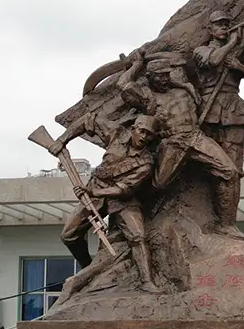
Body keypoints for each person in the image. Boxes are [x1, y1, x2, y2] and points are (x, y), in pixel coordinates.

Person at [117, 51, 244, 238]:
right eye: (160, 76)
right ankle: (131, 211)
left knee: (230, 172)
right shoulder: (147, 96)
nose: (164, 79)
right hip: (173, 142)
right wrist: (136, 65)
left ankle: (226, 225)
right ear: (150, 77)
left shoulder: (183, 89)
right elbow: (123, 85)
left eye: (166, 75)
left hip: (196, 137)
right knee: (158, 184)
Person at [48, 113, 161, 293]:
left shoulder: (146, 163)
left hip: (122, 199)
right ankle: (88, 269)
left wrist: (93, 192)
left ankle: (146, 281)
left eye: (149, 135)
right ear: (133, 129)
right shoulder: (117, 134)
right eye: (142, 131)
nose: (144, 137)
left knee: (138, 236)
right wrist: (62, 140)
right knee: (68, 235)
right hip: (96, 188)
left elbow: (125, 190)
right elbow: (88, 119)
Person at [193, 10, 244, 224]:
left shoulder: (237, 54)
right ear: (210, 29)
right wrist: (231, 44)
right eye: (219, 24)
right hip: (209, 111)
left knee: (233, 171)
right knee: (207, 169)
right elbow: (213, 61)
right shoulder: (201, 50)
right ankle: (205, 217)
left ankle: (227, 223)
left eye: (226, 24)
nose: (224, 27)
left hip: (233, 112)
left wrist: (239, 66)